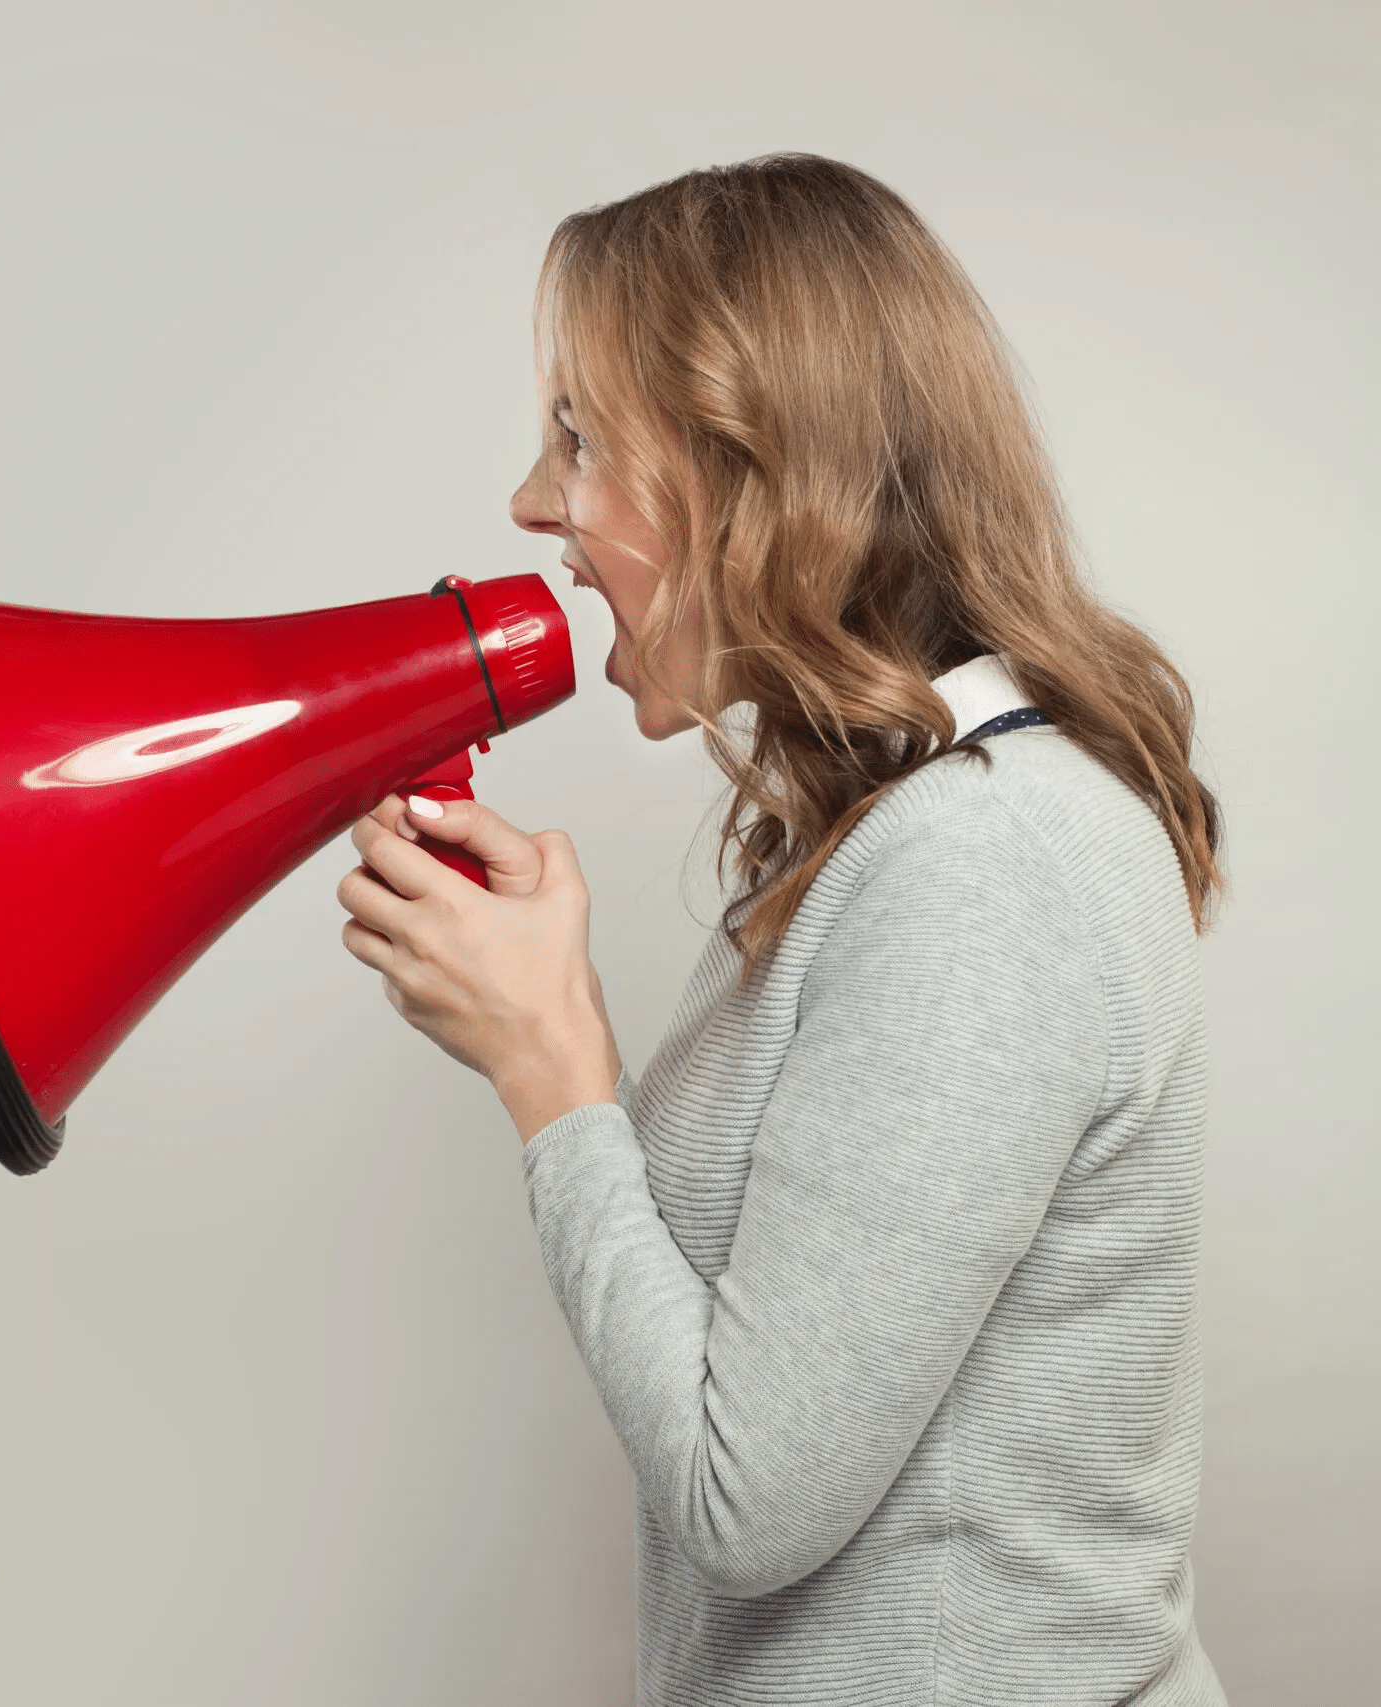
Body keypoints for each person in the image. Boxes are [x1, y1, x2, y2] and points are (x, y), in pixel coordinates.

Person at [337, 156, 1223, 1705]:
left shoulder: (985, 860)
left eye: (579, 436)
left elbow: (747, 1495)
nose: (533, 502)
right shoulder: (888, 827)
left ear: (750, 471)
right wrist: (557, 1038)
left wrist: (554, 1069)